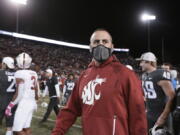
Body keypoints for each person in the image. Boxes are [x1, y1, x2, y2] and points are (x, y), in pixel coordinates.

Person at [51, 28, 147, 135]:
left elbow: (138, 115)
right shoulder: (84, 76)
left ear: (112, 47)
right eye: (96, 42)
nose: (100, 45)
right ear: (90, 47)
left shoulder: (126, 75)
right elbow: (70, 110)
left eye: (105, 41)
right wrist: (57, 132)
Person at [137, 52, 175, 131]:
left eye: (142, 62)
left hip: (161, 115)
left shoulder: (160, 74)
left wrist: (163, 117)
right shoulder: (146, 76)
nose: (140, 64)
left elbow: (171, 96)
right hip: (150, 114)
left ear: (149, 62)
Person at [5, 52, 39, 135]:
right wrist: (36, 99)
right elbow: (36, 89)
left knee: (17, 130)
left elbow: (19, 94)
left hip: (24, 103)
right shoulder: (34, 73)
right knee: (26, 127)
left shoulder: (19, 73)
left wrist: (10, 106)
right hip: (32, 102)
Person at [0, 57, 16, 135]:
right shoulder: (17, 73)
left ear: (5, 64)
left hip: (3, 98)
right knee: (10, 118)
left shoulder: (1, 73)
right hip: (13, 100)